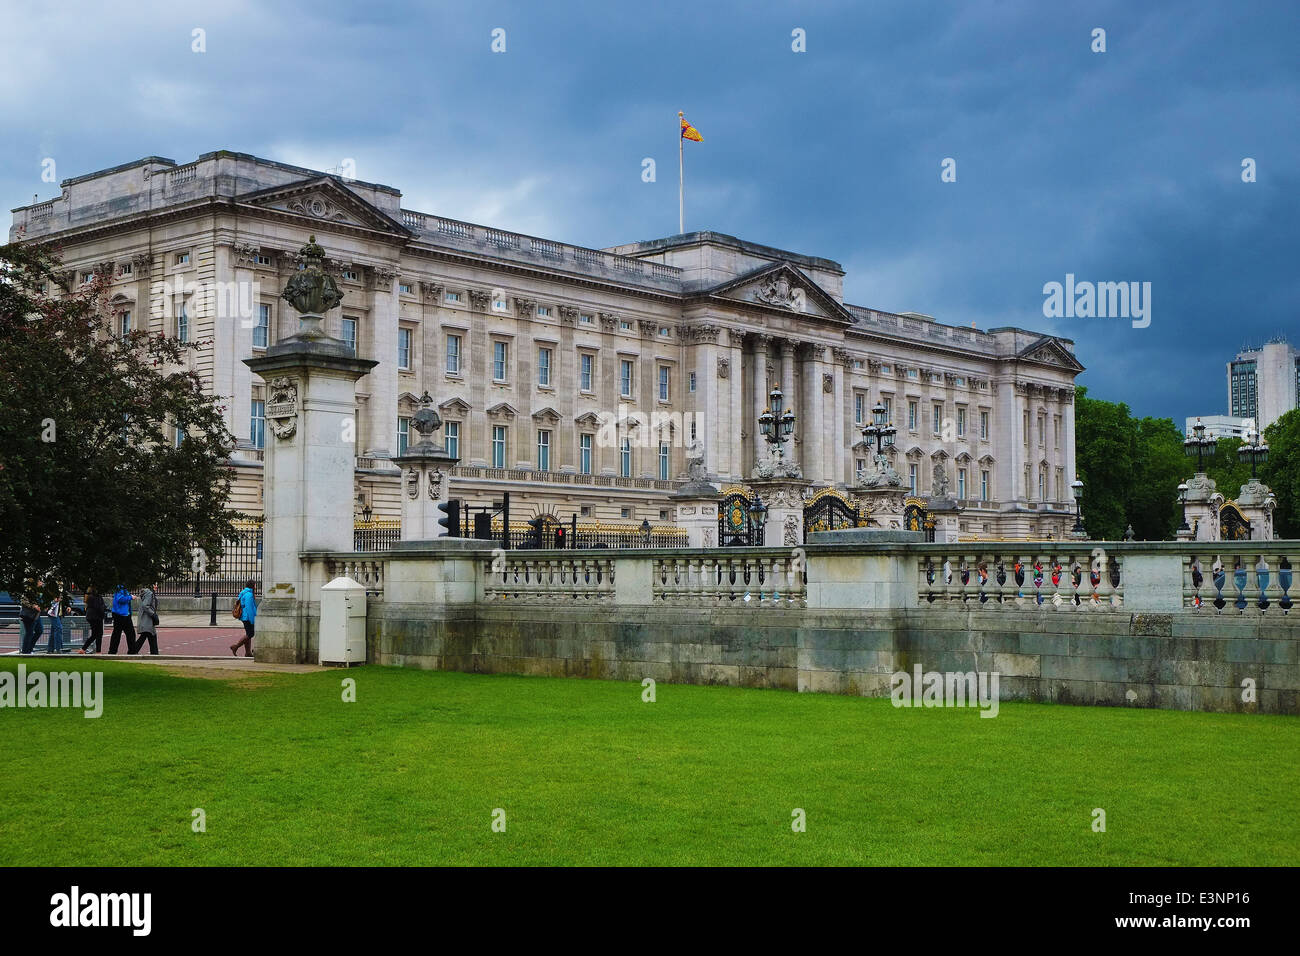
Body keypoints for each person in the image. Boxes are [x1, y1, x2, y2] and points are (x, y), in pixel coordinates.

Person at [231, 579, 257, 657]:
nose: (256, 586)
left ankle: (248, 652)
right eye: (255, 585)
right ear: (253, 586)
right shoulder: (249, 594)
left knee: (248, 634)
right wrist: (252, 620)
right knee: (250, 634)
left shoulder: (244, 592)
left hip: (245, 617)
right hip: (248, 617)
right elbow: (249, 608)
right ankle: (235, 647)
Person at [131, 582, 159, 655]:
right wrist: (153, 614)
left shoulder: (148, 593)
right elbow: (145, 606)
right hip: (147, 619)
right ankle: (133, 651)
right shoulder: (149, 593)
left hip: (146, 619)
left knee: (150, 635)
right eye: (155, 584)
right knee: (149, 635)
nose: (156, 586)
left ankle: (154, 653)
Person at [107, 584, 136, 654]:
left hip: (125, 614)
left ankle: (131, 651)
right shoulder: (120, 588)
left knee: (129, 634)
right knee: (118, 634)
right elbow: (120, 599)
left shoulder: (123, 588)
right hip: (120, 615)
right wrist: (130, 597)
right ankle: (112, 651)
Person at [81, 585, 106, 654]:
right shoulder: (97, 597)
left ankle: (83, 649)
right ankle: (98, 651)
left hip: (91, 617)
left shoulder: (89, 597)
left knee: (94, 634)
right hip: (97, 617)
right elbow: (99, 607)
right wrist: (103, 612)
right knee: (99, 634)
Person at [46, 589, 68, 654]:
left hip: (59, 613)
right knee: (58, 628)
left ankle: (50, 649)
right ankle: (58, 649)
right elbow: (47, 596)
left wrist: (68, 606)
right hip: (53, 612)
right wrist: (54, 599)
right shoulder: (52, 586)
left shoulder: (63, 587)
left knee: (54, 630)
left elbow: (66, 598)